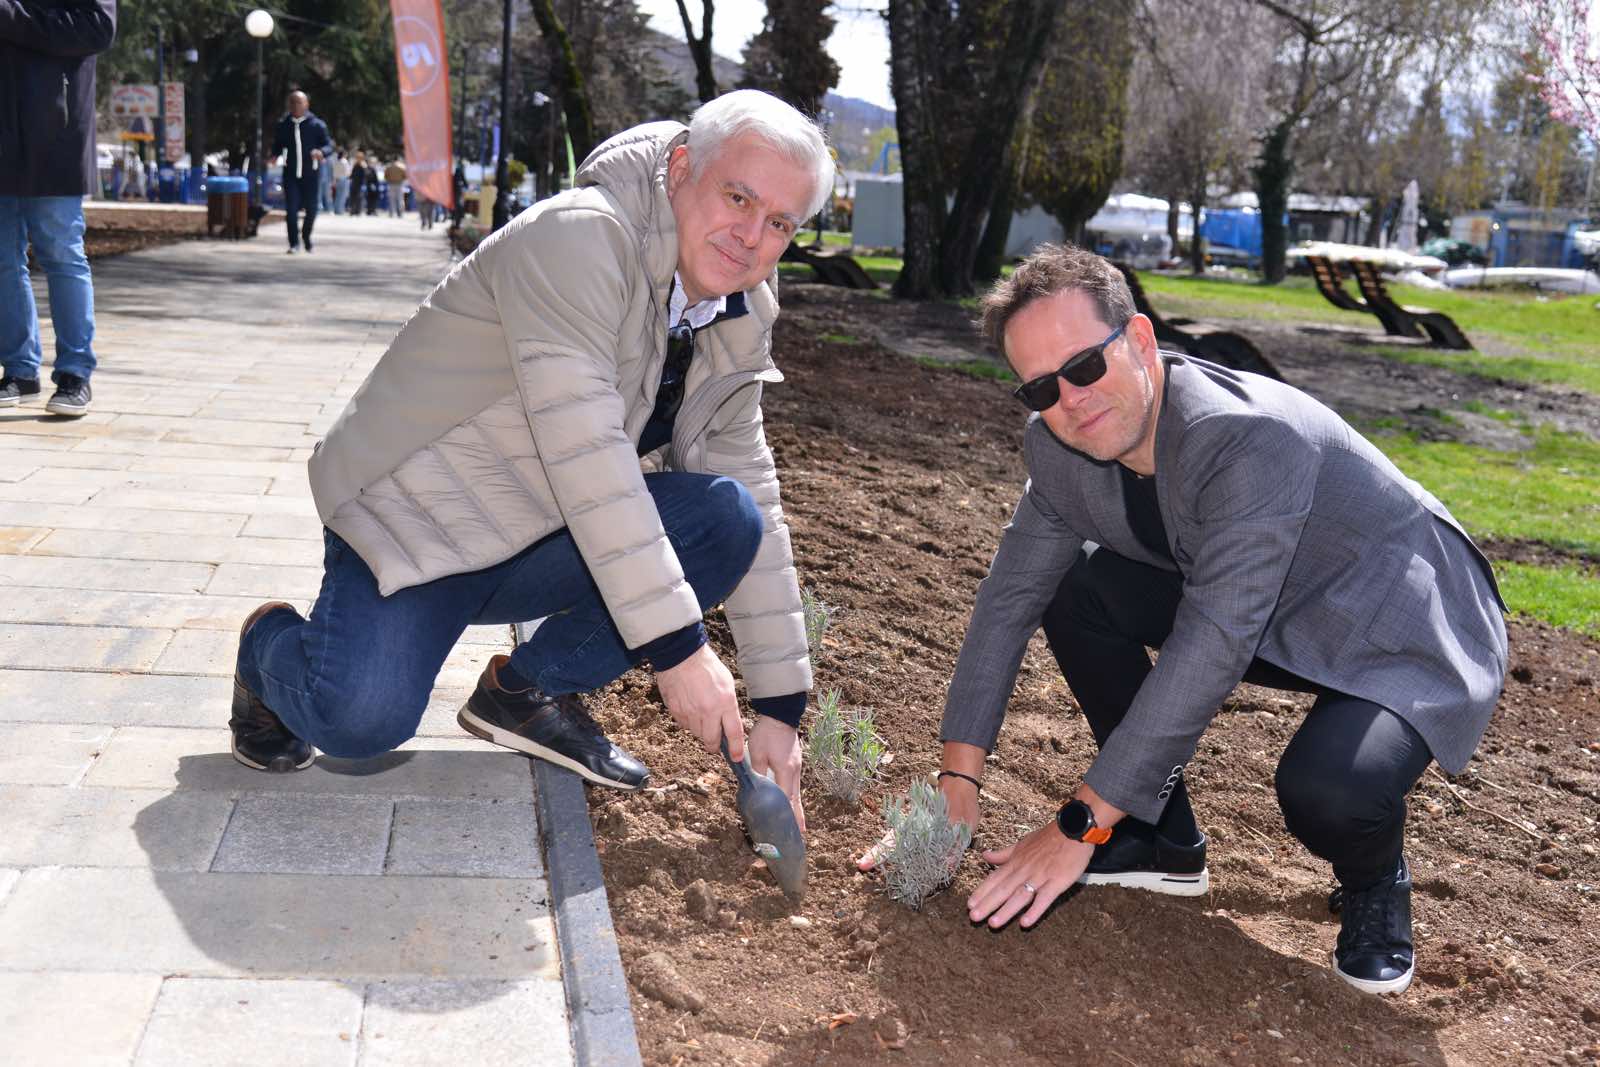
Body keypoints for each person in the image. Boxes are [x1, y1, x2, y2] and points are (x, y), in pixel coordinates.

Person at [864, 244, 1508, 997]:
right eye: (1041, 386)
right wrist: (956, 781)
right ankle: (1158, 836)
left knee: (1330, 789)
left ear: (1139, 340)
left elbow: (1213, 641)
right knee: (1071, 587)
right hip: (1270, 606)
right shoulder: (1061, 449)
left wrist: (1081, 822)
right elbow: (1007, 602)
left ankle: (1375, 881)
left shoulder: (1246, 437)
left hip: (1401, 614)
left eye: (1083, 367)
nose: (1069, 399)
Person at [230, 90, 833, 838]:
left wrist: (780, 705)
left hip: (540, 531)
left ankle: (525, 691)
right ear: (682, 169)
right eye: (738, 196)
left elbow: (752, 483)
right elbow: (589, 453)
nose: (750, 236)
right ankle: (266, 649)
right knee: (358, 722)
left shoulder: (736, 307)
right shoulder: (579, 241)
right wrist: (680, 650)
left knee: (727, 517)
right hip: (415, 519)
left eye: (779, 222)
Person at [1, 0, 117, 418]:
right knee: (2, 260)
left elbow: (99, 28)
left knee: (62, 254)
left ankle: (74, 373)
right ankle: (19, 370)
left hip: (55, 133)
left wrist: (9, 17)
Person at [270, 90, 331, 253]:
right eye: (292, 102)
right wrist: (274, 156)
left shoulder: (317, 125)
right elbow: (278, 145)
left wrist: (321, 152)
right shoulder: (284, 125)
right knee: (291, 210)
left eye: (299, 102)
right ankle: (294, 243)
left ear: (306, 104)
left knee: (312, 210)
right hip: (291, 175)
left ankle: (306, 235)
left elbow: (328, 145)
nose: (295, 106)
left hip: (311, 175)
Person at [333, 150, 352, 214]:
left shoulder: (337, 161)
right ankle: (340, 210)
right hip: (344, 179)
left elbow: (334, 173)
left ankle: (336, 209)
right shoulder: (344, 161)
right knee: (343, 196)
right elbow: (348, 172)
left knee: (338, 196)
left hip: (338, 180)